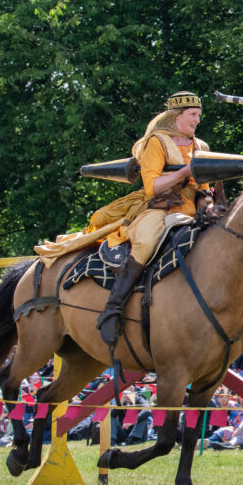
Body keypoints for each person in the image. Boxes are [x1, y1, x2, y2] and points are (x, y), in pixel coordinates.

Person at [91, 92, 213, 346]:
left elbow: (203, 187)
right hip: (162, 207)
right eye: (192, 115)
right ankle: (113, 308)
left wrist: (207, 202)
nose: (197, 121)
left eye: (199, 116)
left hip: (193, 211)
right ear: (175, 117)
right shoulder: (157, 142)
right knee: (146, 241)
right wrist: (186, 171)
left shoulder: (200, 147)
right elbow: (153, 186)